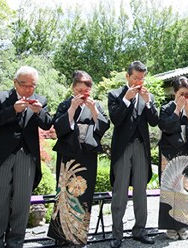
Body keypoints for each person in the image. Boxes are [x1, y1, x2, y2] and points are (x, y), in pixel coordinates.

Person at [0, 66, 53, 248]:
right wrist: (12, 110)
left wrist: (39, 112)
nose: (28, 89)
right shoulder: (0, 98)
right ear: (15, 83)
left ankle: (16, 242)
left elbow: (47, 124)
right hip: (2, 157)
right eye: (24, 85)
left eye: (33, 86)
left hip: (27, 157)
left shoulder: (40, 100)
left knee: (22, 203)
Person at [47, 71, 110, 246]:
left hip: (88, 154)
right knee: (65, 194)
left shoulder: (96, 105)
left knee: (84, 195)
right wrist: (72, 108)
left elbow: (104, 126)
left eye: (86, 90)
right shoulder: (65, 104)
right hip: (68, 154)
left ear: (91, 90)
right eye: (79, 89)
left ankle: (78, 236)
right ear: (74, 88)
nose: (83, 93)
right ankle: (62, 237)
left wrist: (94, 110)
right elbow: (59, 128)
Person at [108, 61, 159, 247]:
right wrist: (126, 99)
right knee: (119, 192)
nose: (139, 81)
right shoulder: (115, 94)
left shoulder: (148, 95)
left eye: (142, 78)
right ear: (127, 76)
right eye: (136, 78)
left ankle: (140, 230)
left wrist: (148, 103)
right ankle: (117, 235)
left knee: (141, 191)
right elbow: (115, 119)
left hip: (141, 147)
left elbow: (154, 121)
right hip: (123, 147)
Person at [158, 76, 188, 240]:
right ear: (174, 93)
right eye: (181, 93)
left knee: (185, 191)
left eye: (187, 94)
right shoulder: (166, 108)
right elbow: (166, 126)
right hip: (169, 154)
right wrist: (177, 110)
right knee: (170, 190)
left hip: (185, 154)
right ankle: (170, 227)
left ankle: (183, 226)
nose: (184, 97)